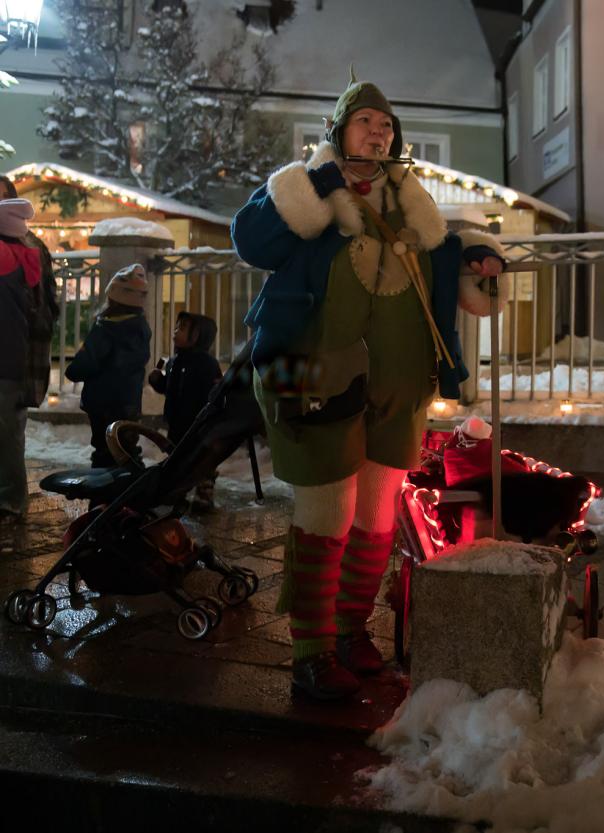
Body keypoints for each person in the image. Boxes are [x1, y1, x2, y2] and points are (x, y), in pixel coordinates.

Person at [232, 72, 507, 701]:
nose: (378, 133)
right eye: (366, 122)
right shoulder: (310, 191)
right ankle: (310, 649)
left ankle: (350, 629)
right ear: (338, 130)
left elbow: (450, 264)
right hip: (312, 374)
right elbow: (251, 239)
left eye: (386, 126)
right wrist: (316, 188)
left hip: (400, 381)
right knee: (327, 510)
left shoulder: (413, 209)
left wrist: (478, 256)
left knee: (379, 511)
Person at [65, 263, 152, 468]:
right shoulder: (140, 328)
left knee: (105, 449)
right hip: (129, 401)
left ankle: (104, 494)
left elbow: (87, 361)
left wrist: (73, 370)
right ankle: (133, 488)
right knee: (126, 447)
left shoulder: (106, 330)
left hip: (102, 402)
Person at [148, 311, 223, 512]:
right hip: (177, 422)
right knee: (176, 458)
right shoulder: (174, 361)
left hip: (199, 424)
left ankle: (204, 495)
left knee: (202, 459)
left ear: (198, 335)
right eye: (177, 326)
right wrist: (158, 381)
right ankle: (177, 492)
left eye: (181, 328)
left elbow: (216, 392)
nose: (175, 331)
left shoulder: (207, 364)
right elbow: (169, 389)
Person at [0, 175, 60, 424]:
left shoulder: (29, 246)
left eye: (2, 197)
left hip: (15, 356)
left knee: (10, 434)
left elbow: (45, 301)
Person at [0, 198, 41, 521]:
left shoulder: (2, 255)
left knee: (6, 433)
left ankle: (11, 499)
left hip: (4, 357)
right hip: (19, 357)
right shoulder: (25, 254)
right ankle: (14, 496)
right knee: (12, 430)